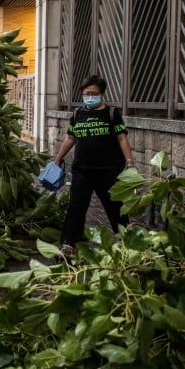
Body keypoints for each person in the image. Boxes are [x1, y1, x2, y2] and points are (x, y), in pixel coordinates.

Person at [54, 75, 135, 256]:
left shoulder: (112, 114)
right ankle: (68, 244)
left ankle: (129, 243)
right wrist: (58, 158)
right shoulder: (78, 114)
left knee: (115, 208)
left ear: (102, 94)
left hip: (108, 171)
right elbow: (70, 138)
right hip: (82, 170)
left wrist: (130, 162)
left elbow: (122, 138)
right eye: (86, 94)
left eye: (94, 93)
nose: (90, 97)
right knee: (76, 207)